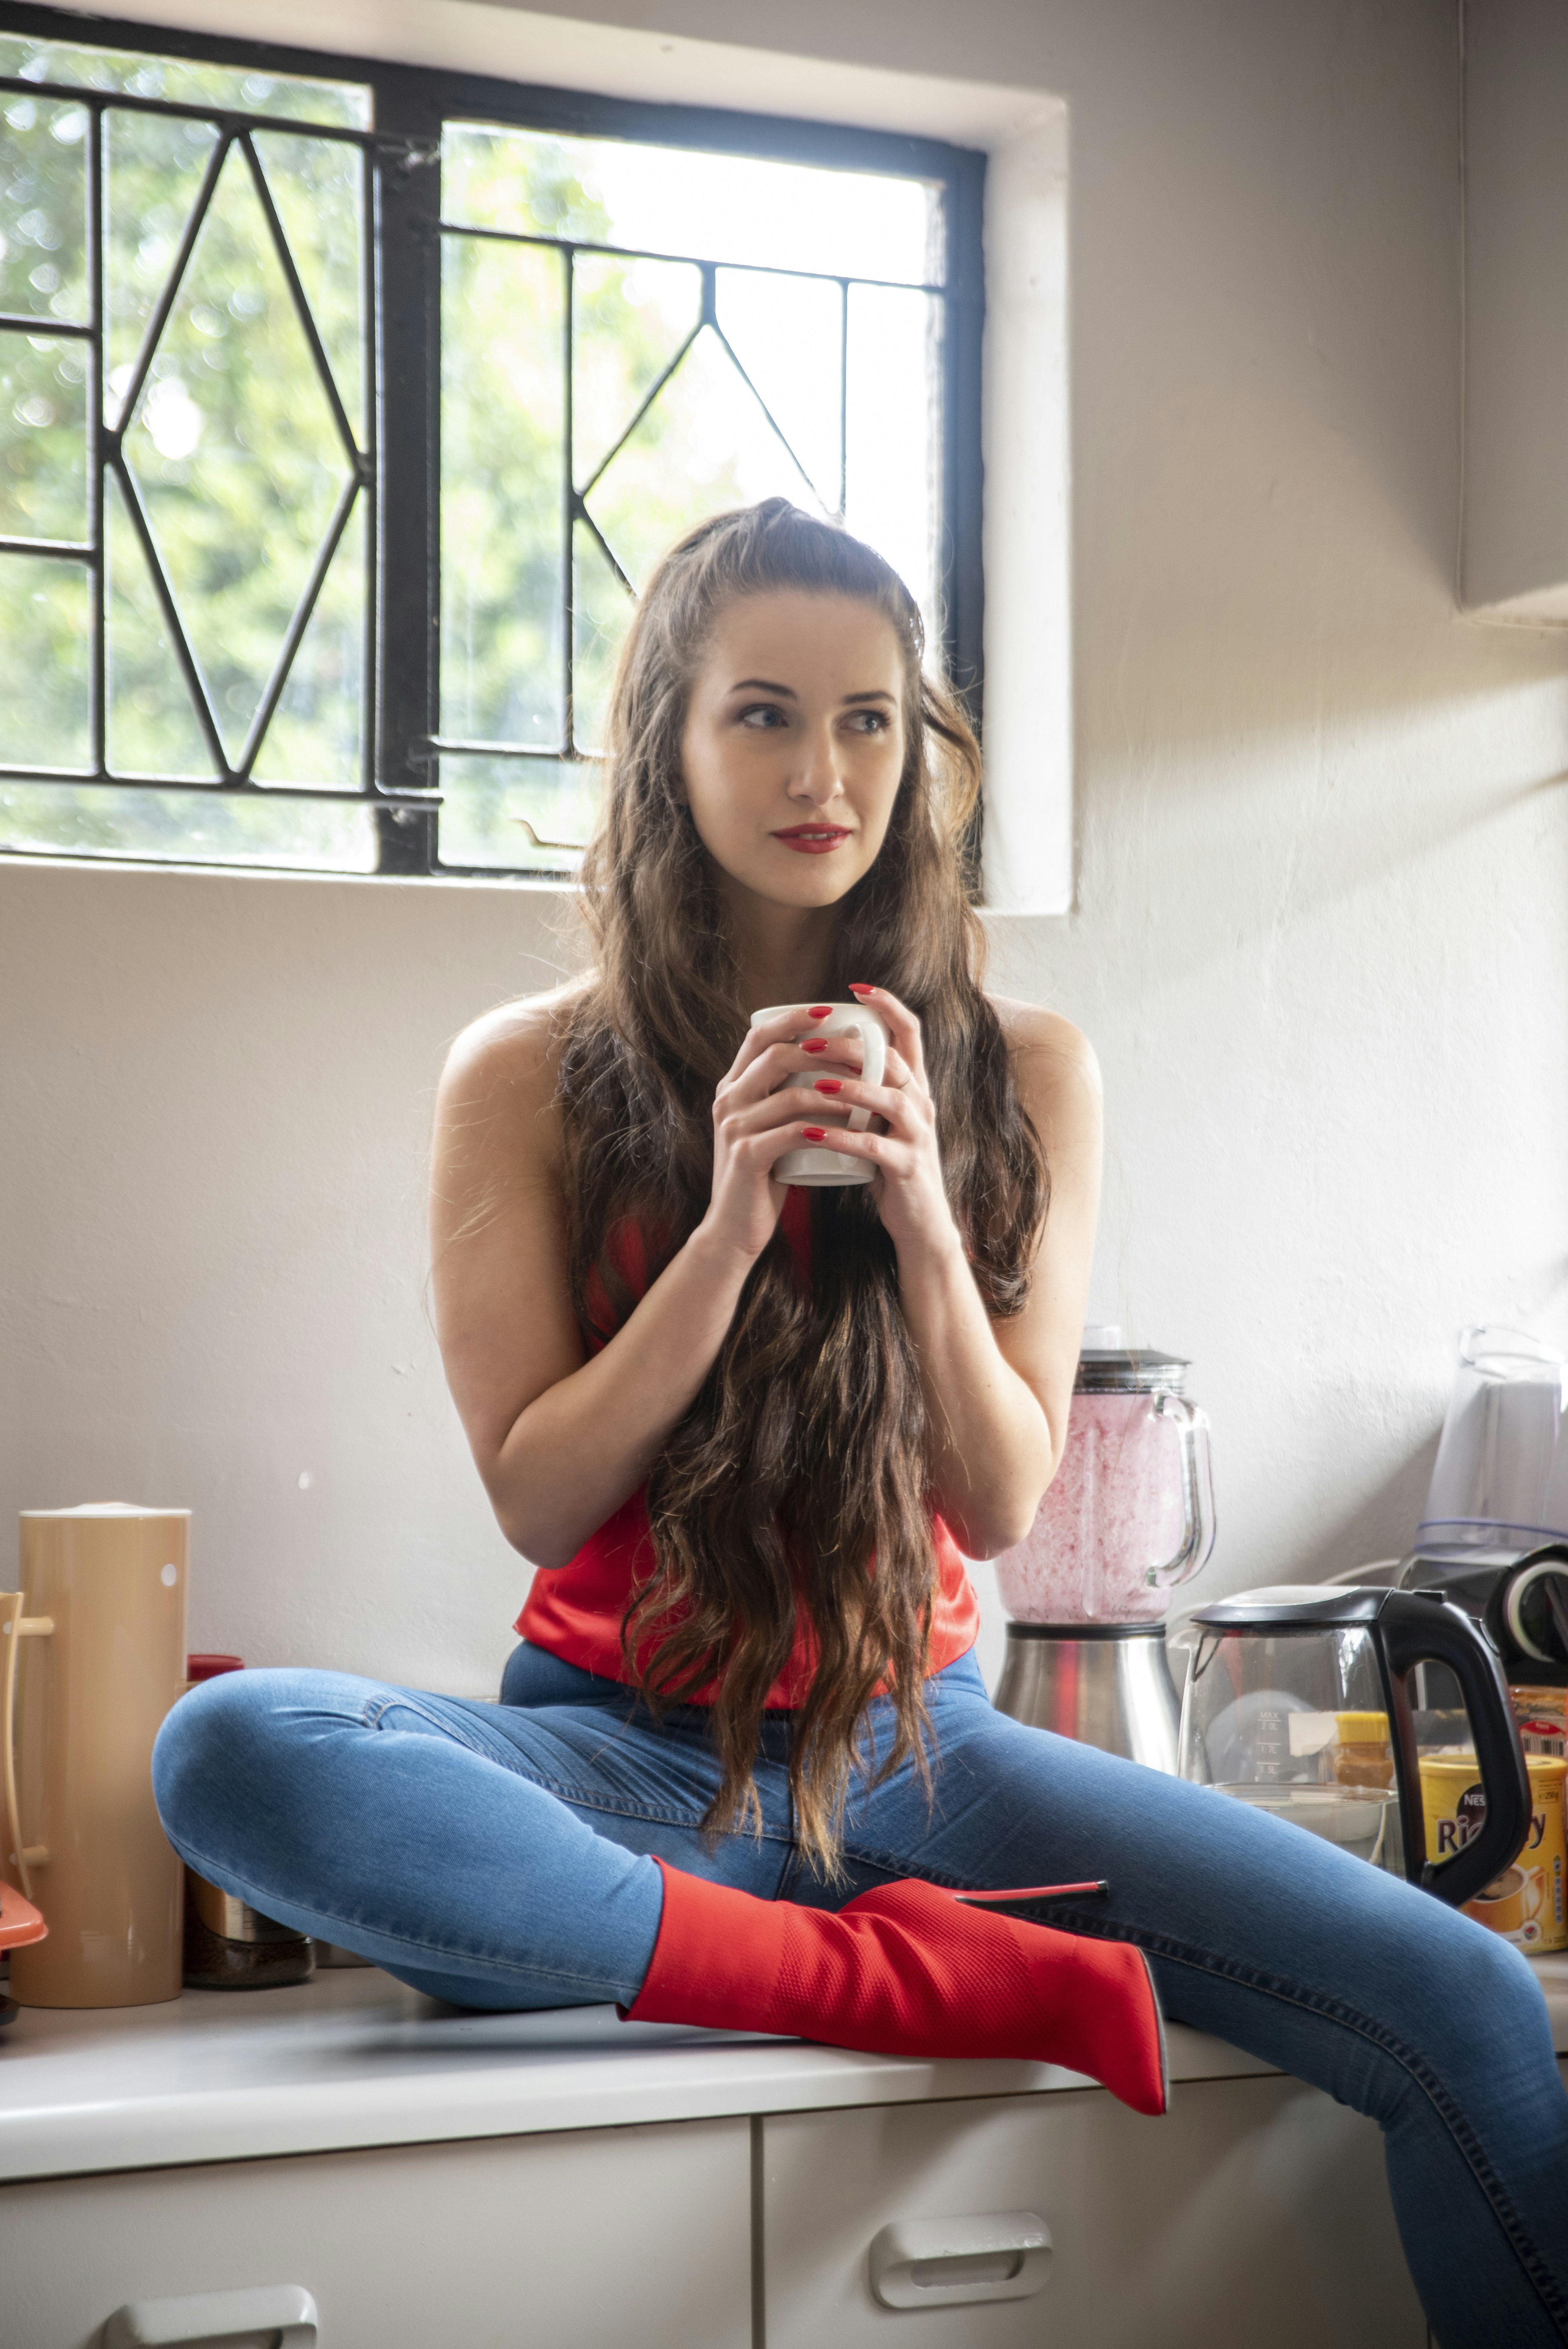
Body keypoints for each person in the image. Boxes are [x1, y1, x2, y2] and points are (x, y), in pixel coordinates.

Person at [155, 500, 1568, 2347]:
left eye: (868, 719)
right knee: (236, 1746)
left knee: (1464, 1997)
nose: (822, 769)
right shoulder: (525, 1072)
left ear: (920, 745)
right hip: (611, 1764)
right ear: (667, 737)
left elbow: (996, 1495)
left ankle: (800, 1940)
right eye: (760, 713)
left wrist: (914, 1220)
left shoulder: (1026, 1065)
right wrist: (732, 1219)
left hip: (926, 1755)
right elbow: (539, 1490)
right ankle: (892, 1974)